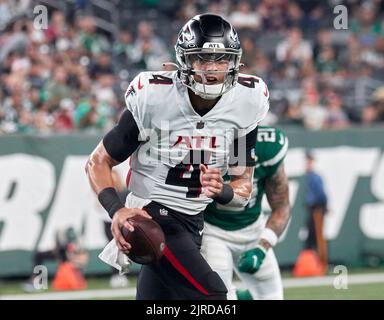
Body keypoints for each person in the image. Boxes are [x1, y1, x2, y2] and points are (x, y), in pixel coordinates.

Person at [86, 14, 270, 300]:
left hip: (193, 220)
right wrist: (116, 209)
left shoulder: (245, 103)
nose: (212, 69)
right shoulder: (156, 98)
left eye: (221, 59)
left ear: (234, 62)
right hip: (151, 214)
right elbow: (98, 161)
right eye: (202, 59)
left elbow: (242, 186)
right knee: (213, 297)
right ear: (185, 60)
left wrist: (221, 190)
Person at [201, 126, 290, 300]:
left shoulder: (267, 145)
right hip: (213, 232)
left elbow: (282, 207)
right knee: (222, 299)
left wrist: (262, 248)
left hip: (253, 231)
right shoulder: (202, 143)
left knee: (273, 297)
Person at [304, 151, 328, 271]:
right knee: (311, 237)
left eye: (309, 161)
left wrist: (324, 206)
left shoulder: (315, 176)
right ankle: (313, 265)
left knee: (319, 237)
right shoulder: (307, 176)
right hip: (311, 209)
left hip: (317, 209)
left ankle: (323, 265)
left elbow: (321, 195)